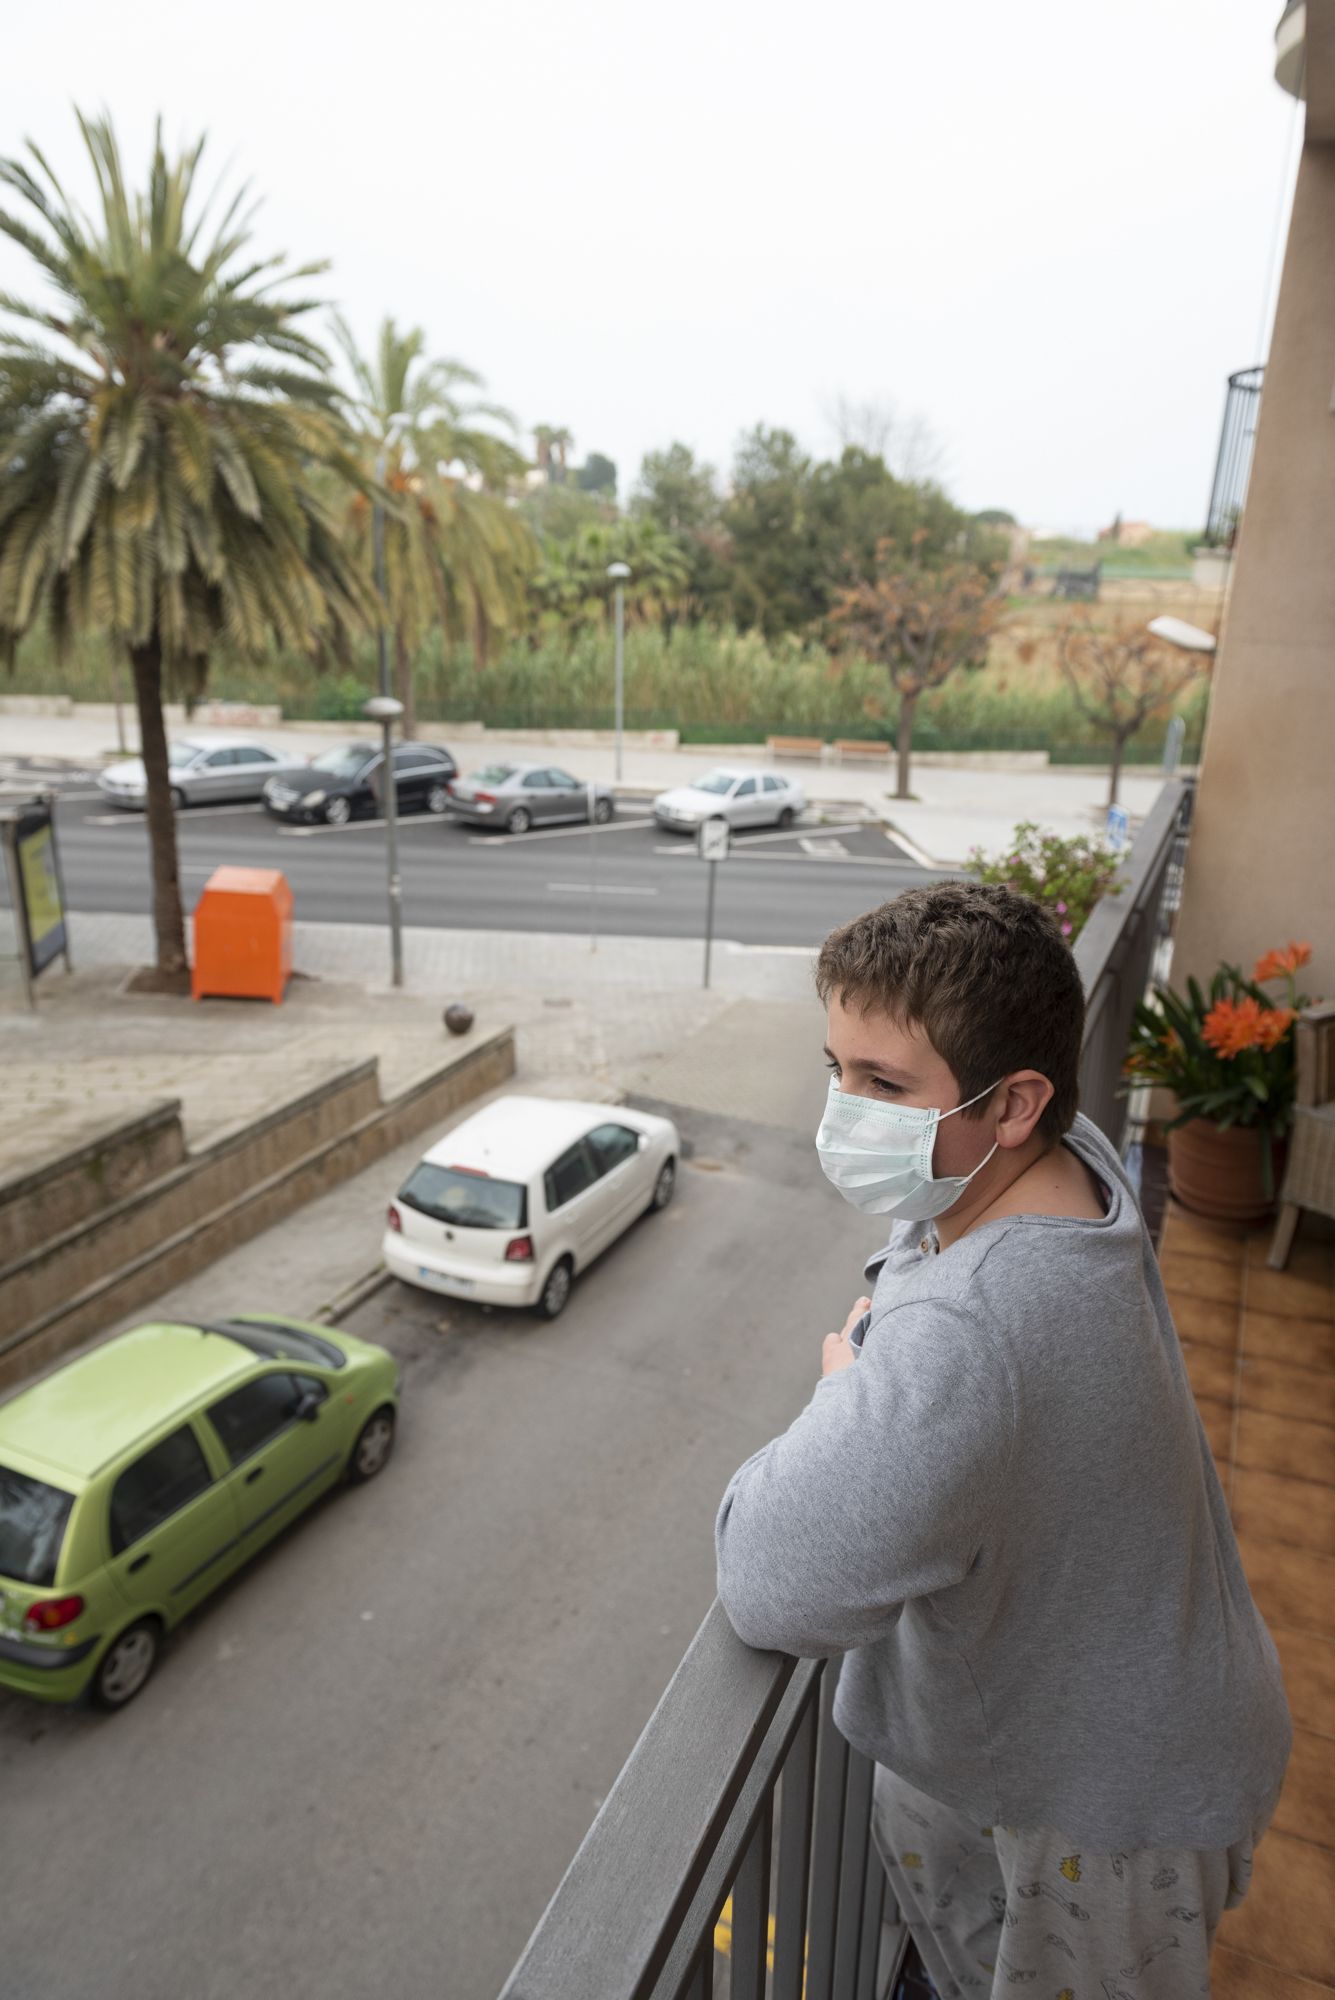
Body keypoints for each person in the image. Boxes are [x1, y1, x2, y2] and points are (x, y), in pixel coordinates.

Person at [714, 882, 1290, 2000]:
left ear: (1015, 1101)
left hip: (1108, 1817)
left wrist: (850, 1385)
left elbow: (767, 1576)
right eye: (837, 1066)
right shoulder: (1066, 1165)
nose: (843, 1108)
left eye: (883, 1083)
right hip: (1145, 1739)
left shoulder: (966, 1337)